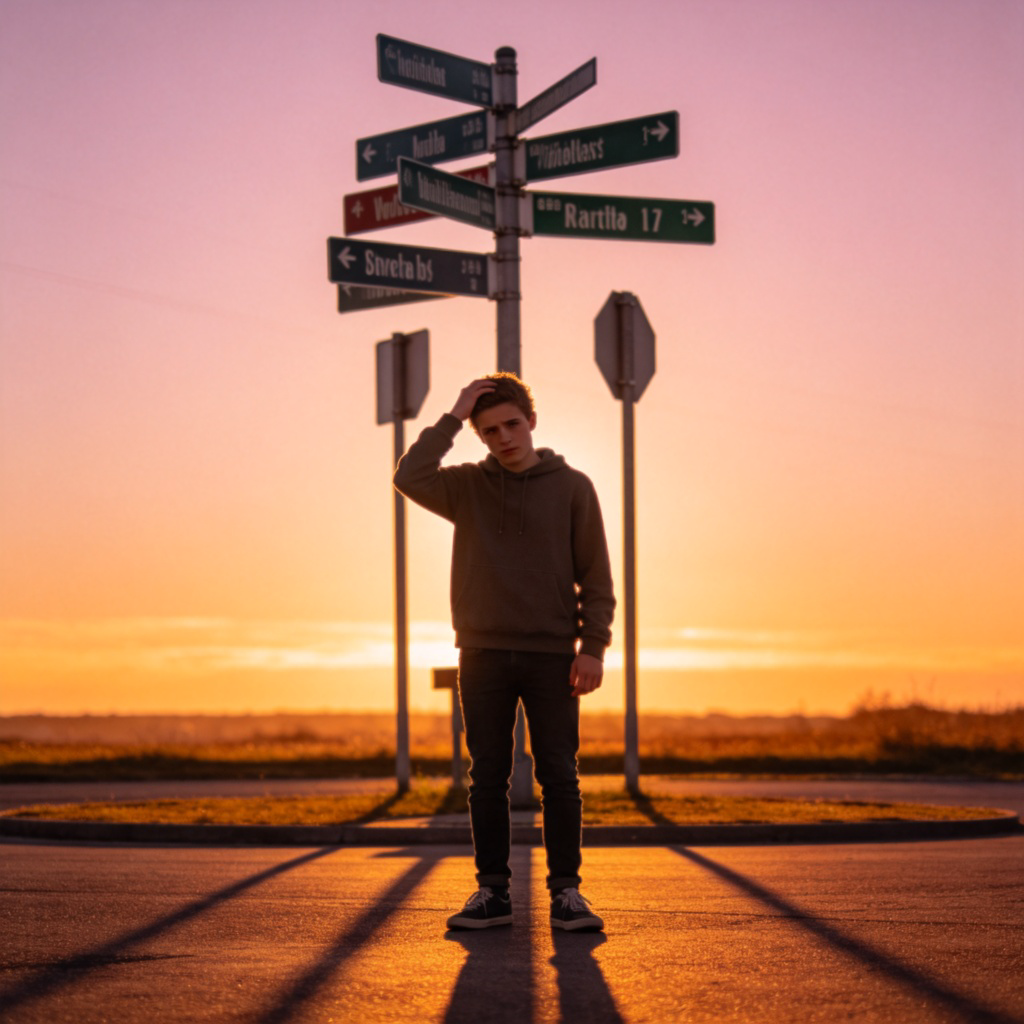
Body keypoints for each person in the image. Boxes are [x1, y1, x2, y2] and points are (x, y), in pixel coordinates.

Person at [394, 372, 615, 932]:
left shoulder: (573, 487)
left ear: (531, 421)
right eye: (489, 430)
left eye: (512, 424)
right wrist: (454, 414)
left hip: (552, 657)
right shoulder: (467, 486)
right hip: (483, 652)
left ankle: (567, 893)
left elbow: (596, 577)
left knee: (559, 774)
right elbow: (409, 476)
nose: (504, 437)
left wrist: (592, 648)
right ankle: (492, 893)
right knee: (487, 776)